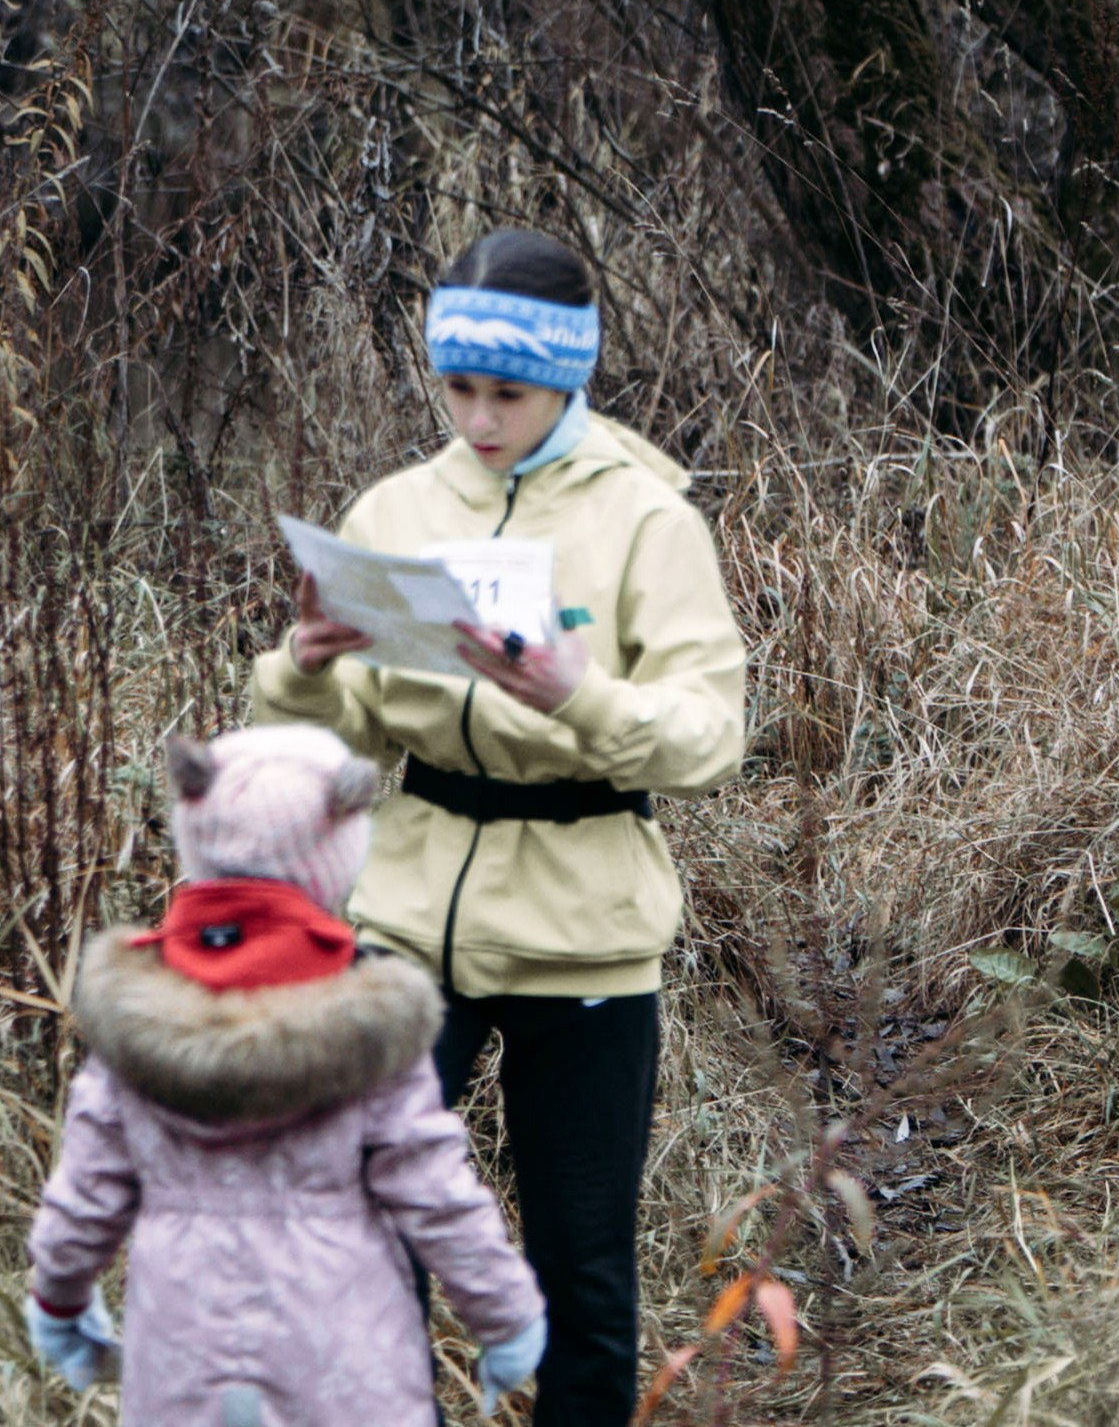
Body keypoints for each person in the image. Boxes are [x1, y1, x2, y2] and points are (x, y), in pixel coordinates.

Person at [251, 229, 748, 1424]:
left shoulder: (649, 520)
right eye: (458, 386)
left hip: (587, 934)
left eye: (507, 393)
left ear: (566, 376)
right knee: (368, 1229)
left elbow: (709, 737)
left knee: (581, 1260)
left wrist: (577, 695)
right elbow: (345, 745)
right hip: (404, 921)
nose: (477, 419)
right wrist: (306, 669)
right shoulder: (397, 508)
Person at [24, 725, 546, 1425]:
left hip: (182, 1353)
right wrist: (507, 1317)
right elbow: (434, 1191)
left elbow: (86, 1193)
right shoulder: (367, 1017)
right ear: (340, 842)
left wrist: (57, 1300)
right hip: (343, 1361)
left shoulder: (134, 1009)